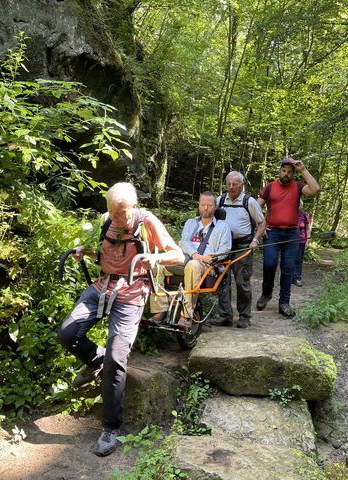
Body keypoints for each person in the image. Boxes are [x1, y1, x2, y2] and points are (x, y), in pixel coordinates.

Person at [56, 182, 184, 457]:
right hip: (103, 286)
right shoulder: (106, 220)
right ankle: (95, 360)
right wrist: (84, 253)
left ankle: (110, 427)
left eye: (122, 213)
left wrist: (155, 258)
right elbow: (101, 253)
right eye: (113, 213)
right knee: (67, 333)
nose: (118, 219)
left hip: (132, 292)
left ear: (134, 206)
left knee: (117, 357)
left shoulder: (147, 222)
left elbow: (178, 255)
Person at [148, 191, 232, 322]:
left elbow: (225, 249)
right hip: (187, 259)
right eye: (203, 204)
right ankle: (160, 310)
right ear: (198, 205)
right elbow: (184, 242)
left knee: (193, 265)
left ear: (215, 207)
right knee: (158, 263)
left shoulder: (223, 227)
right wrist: (196, 255)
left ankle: (186, 315)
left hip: (207, 265)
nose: (205, 208)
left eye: (209, 205)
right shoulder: (191, 223)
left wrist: (209, 257)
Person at [256, 158, 321, 317]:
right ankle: (266, 294)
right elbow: (256, 207)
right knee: (269, 264)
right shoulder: (270, 187)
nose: (286, 174)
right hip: (272, 233)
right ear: (279, 171)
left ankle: (284, 302)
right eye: (284, 170)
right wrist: (260, 227)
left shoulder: (298, 186)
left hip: (292, 234)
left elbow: (315, 188)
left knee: (288, 268)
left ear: (293, 173)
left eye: (290, 172)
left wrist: (303, 170)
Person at [210, 171, 266, 328]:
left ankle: (244, 317)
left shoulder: (249, 202)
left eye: (235, 184)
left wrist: (255, 240)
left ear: (242, 185)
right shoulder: (220, 200)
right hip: (223, 247)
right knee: (222, 280)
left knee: (242, 282)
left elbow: (262, 223)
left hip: (243, 247)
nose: (231, 187)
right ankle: (225, 315)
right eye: (228, 184)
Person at [293, 200, 312, 287]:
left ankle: (297, 278)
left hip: (301, 240)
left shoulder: (305, 215)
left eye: (300, 204)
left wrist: (308, 240)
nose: (298, 206)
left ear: (302, 206)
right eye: (297, 204)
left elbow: (308, 229)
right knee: (289, 259)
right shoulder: (290, 214)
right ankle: (289, 278)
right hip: (290, 240)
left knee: (298, 259)